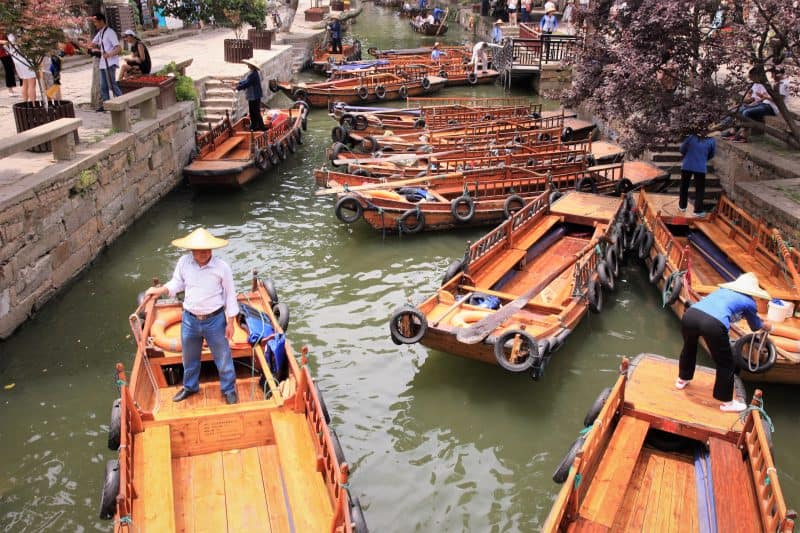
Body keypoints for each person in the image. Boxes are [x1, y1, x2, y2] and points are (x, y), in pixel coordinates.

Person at [144, 228, 240, 405]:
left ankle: (229, 389)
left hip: (215, 319)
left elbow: (230, 295)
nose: (204, 253)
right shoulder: (184, 262)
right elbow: (176, 283)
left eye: (207, 249)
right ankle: (190, 387)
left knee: (223, 356)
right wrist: (160, 290)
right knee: (189, 357)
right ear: (191, 250)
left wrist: (231, 322)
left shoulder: (222, 267)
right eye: (199, 249)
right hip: (190, 319)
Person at [676, 273, 773, 412]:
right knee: (726, 363)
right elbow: (755, 326)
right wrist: (767, 326)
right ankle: (727, 402)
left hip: (691, 315)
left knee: (689, 348)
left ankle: (682, 379)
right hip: (713, 324)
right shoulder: (750, 302)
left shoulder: (723, 291)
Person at [89, 13, 122, 112]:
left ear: (101, 21)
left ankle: (123, 102)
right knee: (103, 86)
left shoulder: (110, 32)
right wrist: (81, 43)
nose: (95, 24)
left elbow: (118, 48)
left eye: (96, 22)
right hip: (103, 64)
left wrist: (110, 54)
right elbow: (93, 44)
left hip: (110, 63)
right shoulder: (100, 33)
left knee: (112, 85)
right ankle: (107, 105)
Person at [678, 129, 715, 216]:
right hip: (700, 168)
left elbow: (682, 149)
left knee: (684, 186)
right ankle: (698, 211)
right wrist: (703, 158)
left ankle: (682, 206)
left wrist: (687, 155)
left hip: (687, 165)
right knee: (700, 189)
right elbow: (711, 154)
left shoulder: (691, 137)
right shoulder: (711, 140)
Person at [232, 59, 266, 132]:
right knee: (252, 111)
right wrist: (238, 82)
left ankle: (261, 127)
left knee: (255, 112)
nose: (248, 65)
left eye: (249, 64)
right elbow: (246, 81)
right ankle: (254, 125)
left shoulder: (253, 74)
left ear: (252, 66)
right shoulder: (252, 73)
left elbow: (247, 83)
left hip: (255, 96)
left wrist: (237, 88)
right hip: (253, 96)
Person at [5, 34, 37, 102]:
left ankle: (26, 103)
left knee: (25, 82)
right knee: (31, 83)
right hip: (25, 59)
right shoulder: (18, 31)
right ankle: (33, 105)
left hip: (18, 59)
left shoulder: (10, 33)